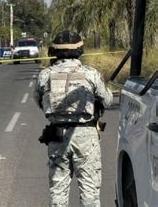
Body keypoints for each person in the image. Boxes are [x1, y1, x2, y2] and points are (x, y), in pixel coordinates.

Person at [34, 30, 113, 206]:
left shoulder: (45, 75)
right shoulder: (91, 73)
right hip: (86, 136)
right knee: (89, 190)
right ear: (79, 50)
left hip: (57, 136)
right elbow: (107, 101)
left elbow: (39, 101)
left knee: (58, 191)